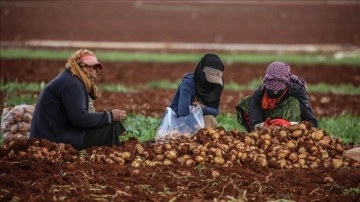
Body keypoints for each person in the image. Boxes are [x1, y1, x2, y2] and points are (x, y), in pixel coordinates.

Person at [30, 49, 127, 150]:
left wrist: (107, 117)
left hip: (53, 134)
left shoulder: (70, 78)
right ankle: (124, 149)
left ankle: (127, 145)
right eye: (87, 65)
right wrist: (109, 116)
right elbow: (80, 119)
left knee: (108, 124)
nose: (92, 69)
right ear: (77, 65)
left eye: (94, 67)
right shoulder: (72, 84)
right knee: (111, 127)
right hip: (52, 139)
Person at [236, 61, 318, 131]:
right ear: (266, 83)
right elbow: (255, 124)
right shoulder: (259, 94)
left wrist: (289, 124)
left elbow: (312, 123)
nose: (275, 91)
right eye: (272, 88)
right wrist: (264, 126)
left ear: (287, 84)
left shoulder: (297, 91)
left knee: (293, 102)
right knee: (247, 102)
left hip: (289, 127)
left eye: (278, 88)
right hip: (267, 127)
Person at [168, 53, 225, 128]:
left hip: (197, 120)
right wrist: (195, 123)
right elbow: (183, 112)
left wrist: (202, 108)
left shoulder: (214, 85)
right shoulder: (188, 84)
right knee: (207, 120)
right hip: (177, 122)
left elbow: (216, 111)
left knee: (210, 119)